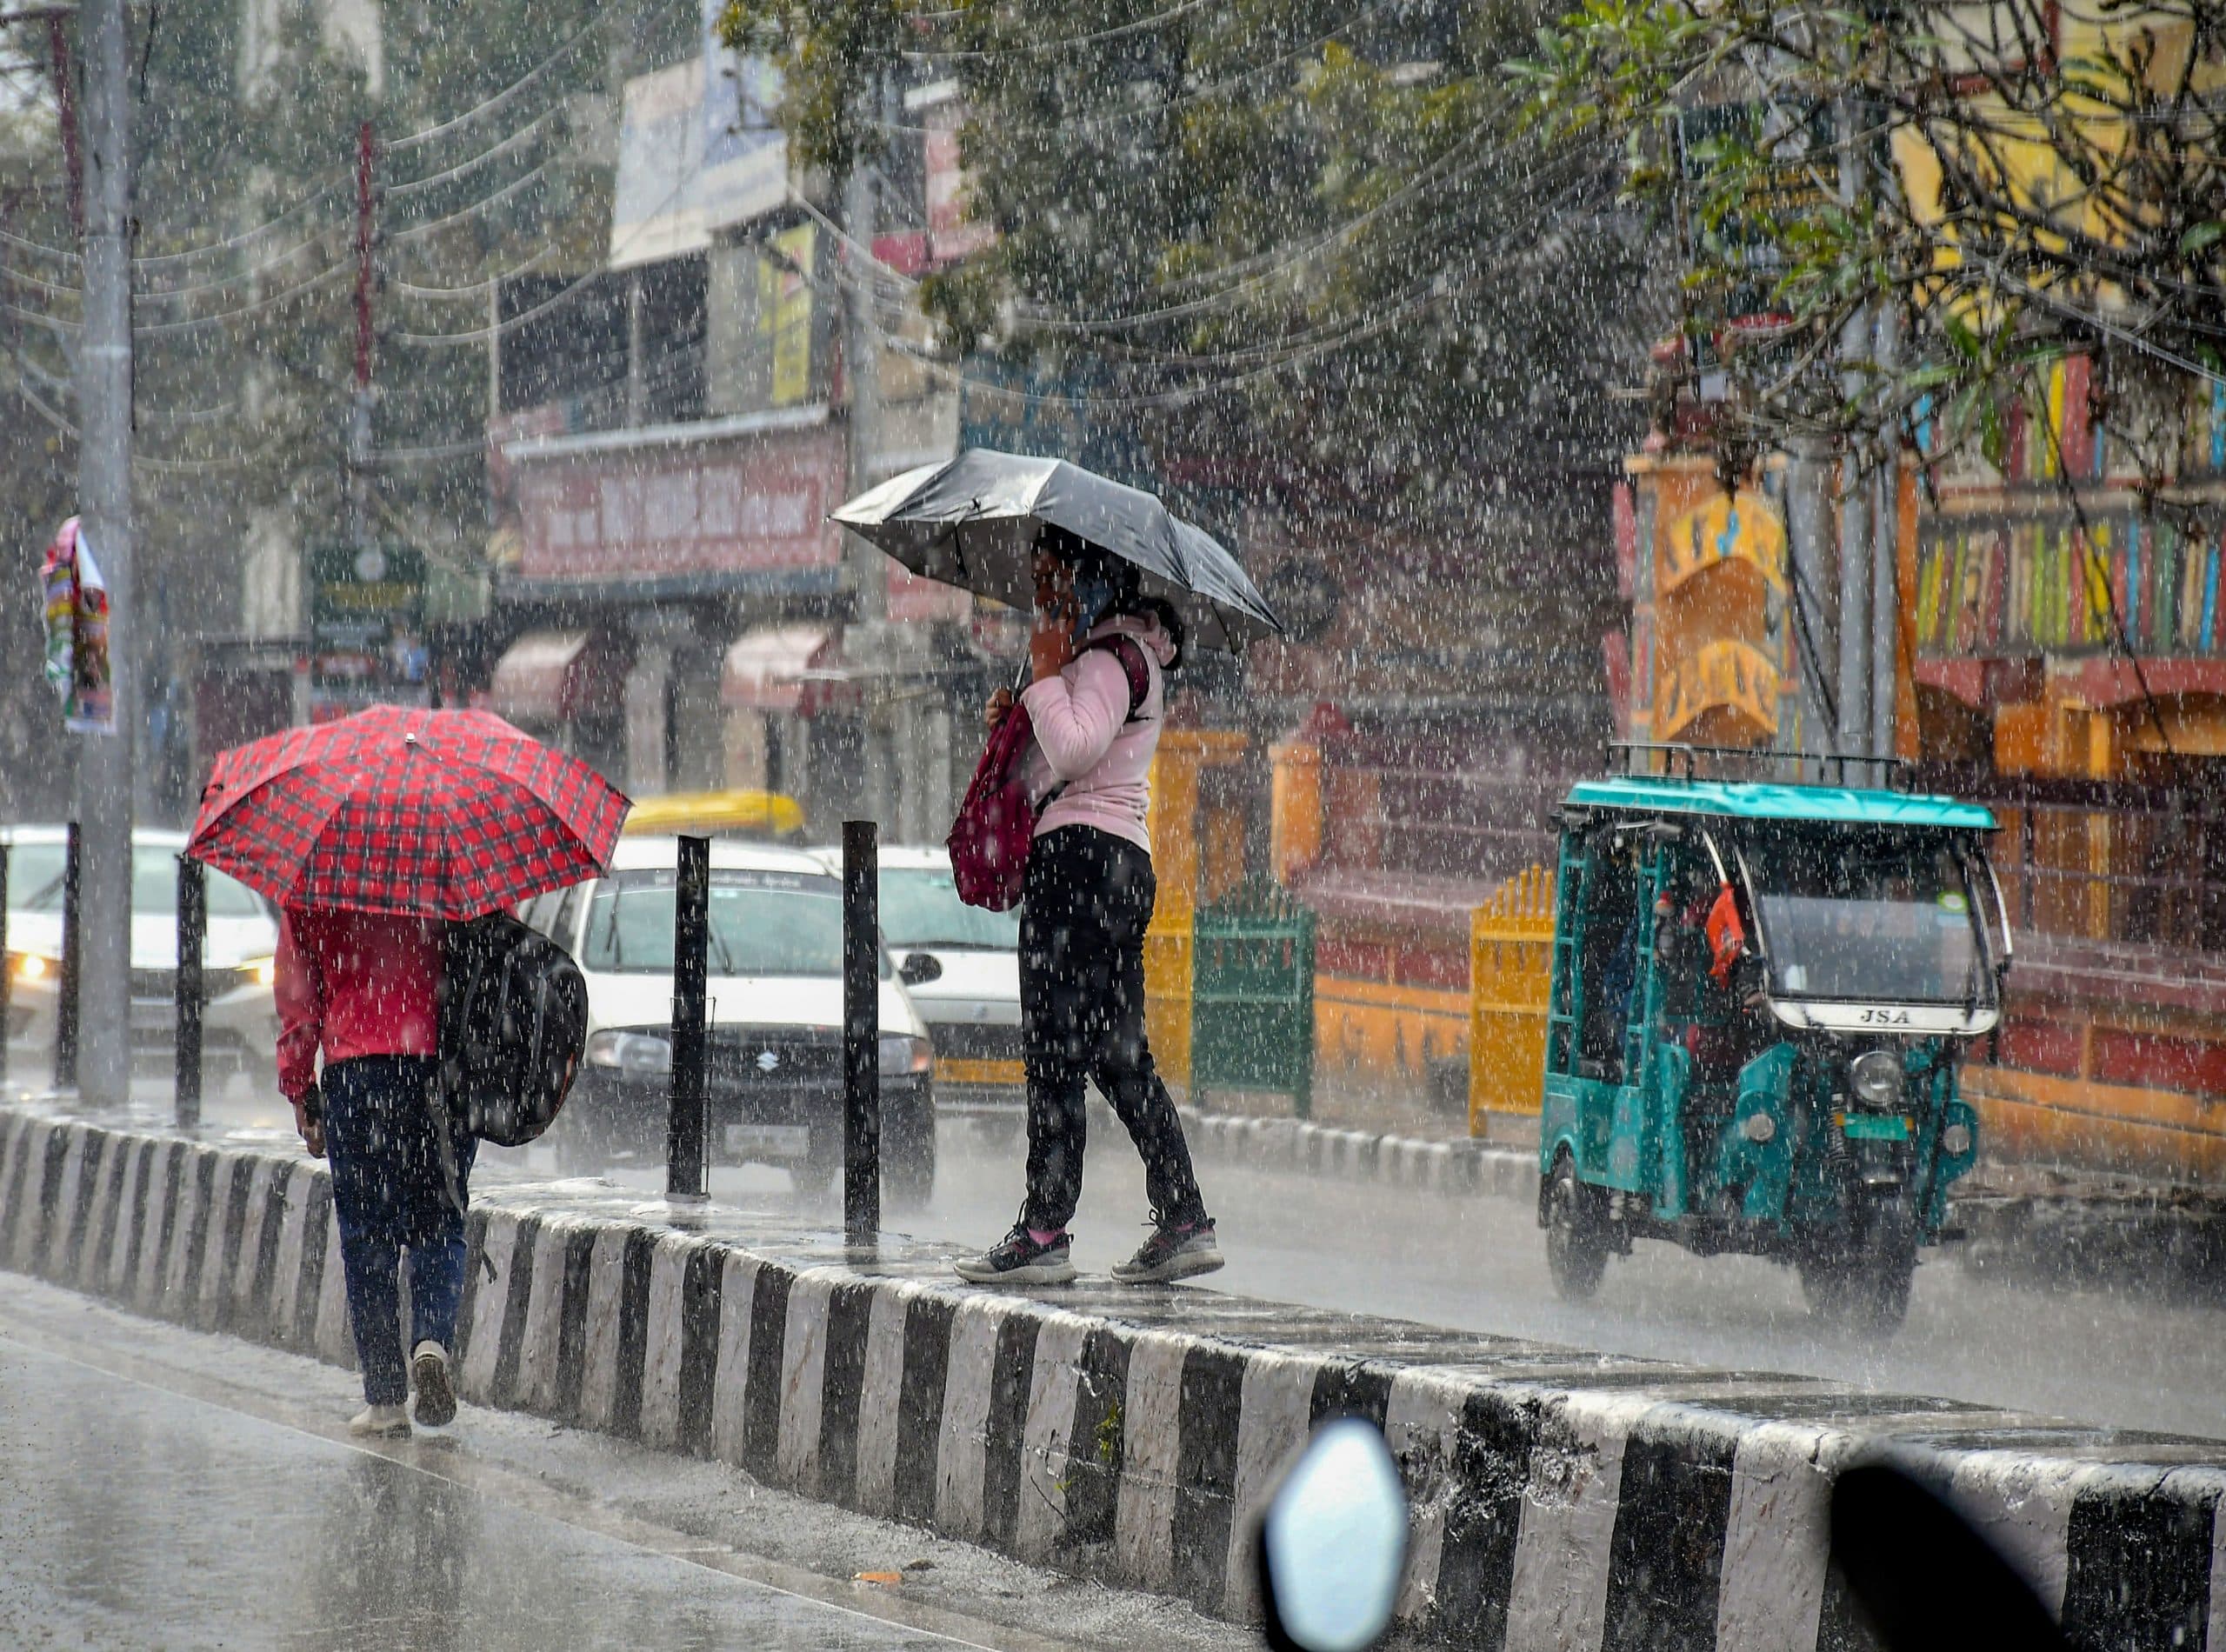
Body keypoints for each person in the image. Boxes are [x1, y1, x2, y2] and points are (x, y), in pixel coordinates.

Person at [955, 529, 1223, 1288]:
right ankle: (1183, 1215)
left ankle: (1044, 1230)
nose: (1044, 597)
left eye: (1052, 580)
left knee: (1053, 1048)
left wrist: (1044, 681)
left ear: (1091, 580)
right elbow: (1067, 753)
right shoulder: (1117, 657)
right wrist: (1023, 711)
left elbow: (1075, 753)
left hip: (1079, 865)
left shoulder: (1108, 659)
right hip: (1112, 864)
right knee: (1115, 1052)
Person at [277, 906, 471, 1436]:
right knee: (440, 1218)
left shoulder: (321, 868)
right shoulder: (449, 849)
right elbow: (492, 949)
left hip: (357, 1074)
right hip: (439, 1070)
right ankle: (431, 1339)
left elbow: (298, 998)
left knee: (368, 1239)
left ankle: (385, 1401)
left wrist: (300, 1088)